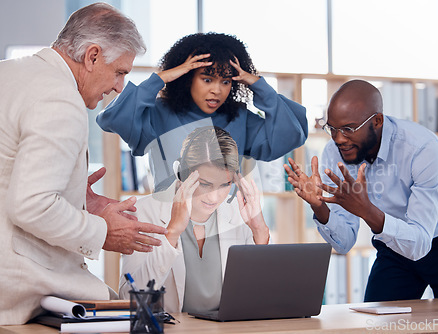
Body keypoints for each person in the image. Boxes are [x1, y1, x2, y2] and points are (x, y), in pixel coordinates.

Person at [0, 3, 167, 325]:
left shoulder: (9, 73)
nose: (119, 87)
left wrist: (74, 196)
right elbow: (31, 205)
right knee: (137, 318)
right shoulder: (60, 99)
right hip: (18, 282)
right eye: (119, 72)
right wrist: (102, 231)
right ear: (92, 56)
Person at [284, 79, 438, 303]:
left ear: (377, 121)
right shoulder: (335, 152)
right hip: (393, 243)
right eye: (332, 129)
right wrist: (319, 206)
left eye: (348, 129)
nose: (339, 139)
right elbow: (344, 242)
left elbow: (419, 243)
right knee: (376, 324)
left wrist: (366, 210)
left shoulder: (421, 147)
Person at [96, 32, 308, 191]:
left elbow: (292, 134)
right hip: (170, 229)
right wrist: (161, 78)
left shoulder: (239, 117)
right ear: (187, 77)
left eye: (225, 81)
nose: (216, 90)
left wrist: (259, 85)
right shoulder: (159, 113)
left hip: (227, 229)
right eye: (207, 79)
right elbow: (112, 118)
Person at [119, 126, 270, 313]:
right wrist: (172, 233)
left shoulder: (240, 215)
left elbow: (258, 300)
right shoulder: (143, 212)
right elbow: (130, 299)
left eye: (225, 185)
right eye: (205, 184)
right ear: (181, 173)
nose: (214, 198)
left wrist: (260, 232)